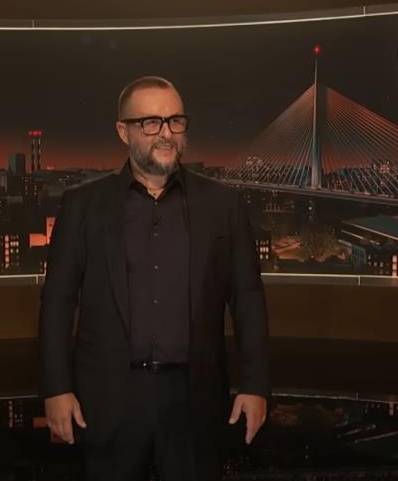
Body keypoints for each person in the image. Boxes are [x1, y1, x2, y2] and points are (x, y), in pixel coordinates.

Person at [38, 76, 271, 481]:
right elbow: (58, 301)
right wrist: (56, 388)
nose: (166, 133)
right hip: (109, 399)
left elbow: (248, 298)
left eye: (175, 121)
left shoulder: (224, 205)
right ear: (122, 131)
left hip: (195, 398)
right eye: (150, 122)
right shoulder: (82, 206)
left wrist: (256, 385)